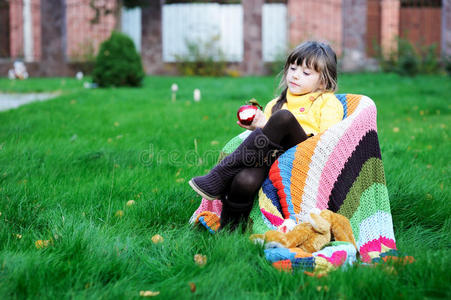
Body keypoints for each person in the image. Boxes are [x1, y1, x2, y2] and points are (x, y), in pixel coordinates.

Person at [189, 41, 344, 230]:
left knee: (283, 118)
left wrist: (268, 124)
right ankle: (230, 230)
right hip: (273, 159)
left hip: (306, 157)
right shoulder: (276, 103)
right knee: (245, 179)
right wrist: (257, 128)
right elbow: (266, 140)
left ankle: (221, 173)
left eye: (305, 73)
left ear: (323, 81)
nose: (295, 75)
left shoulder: (327, 102)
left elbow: (328, 141)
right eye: (293, 68)